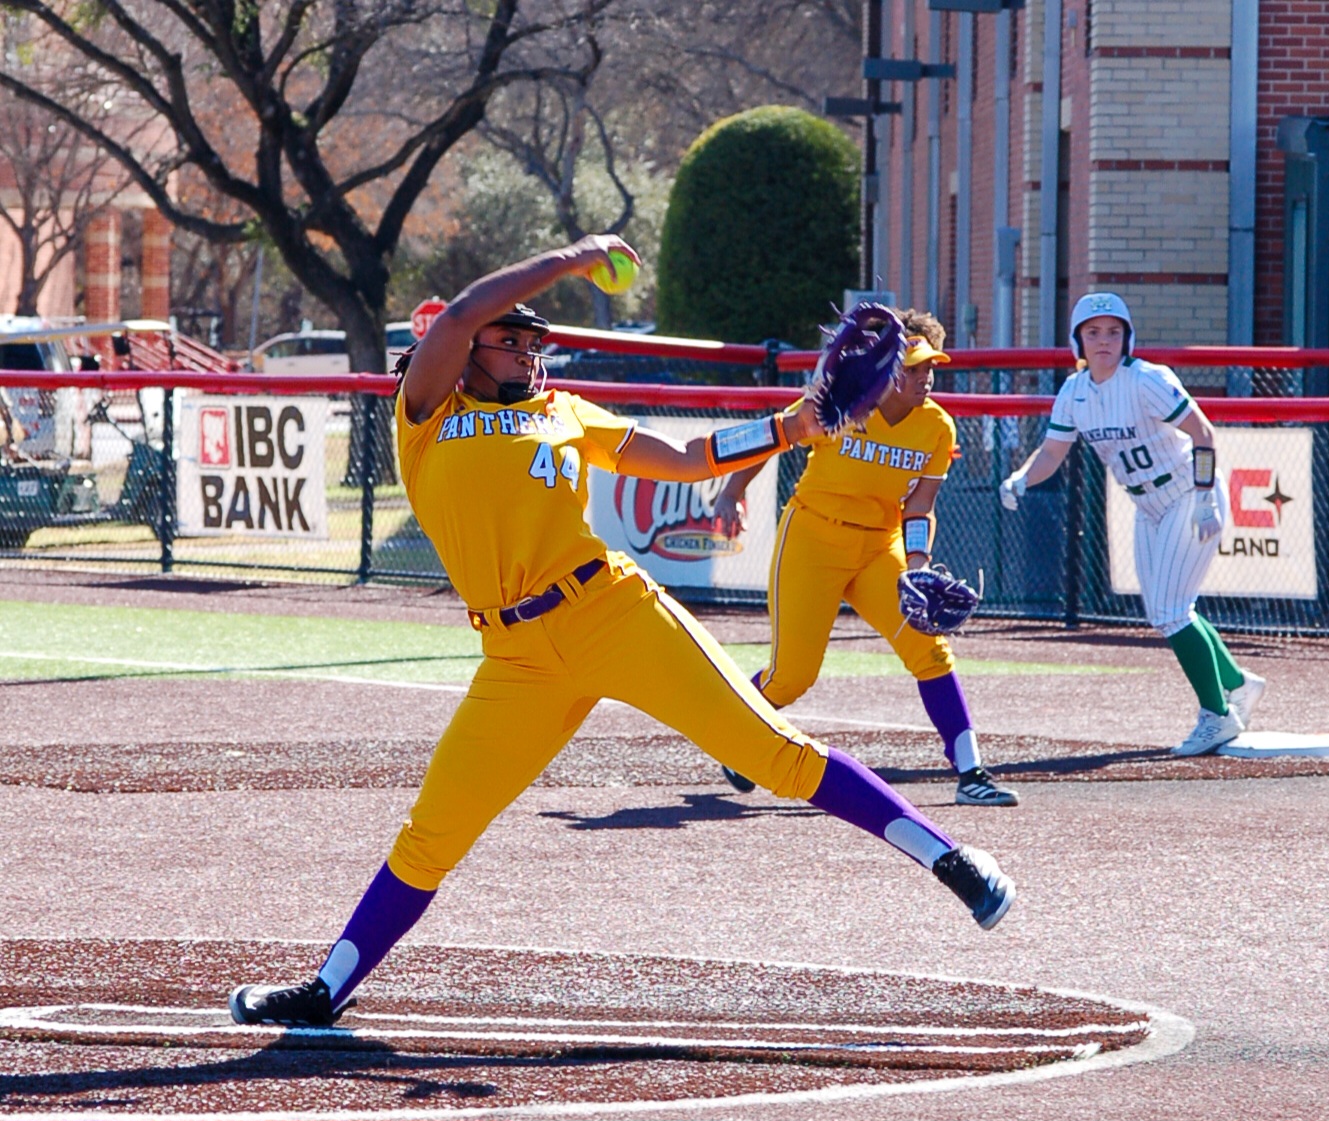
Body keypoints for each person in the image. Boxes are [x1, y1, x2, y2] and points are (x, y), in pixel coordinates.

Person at [228, 237, 1016, 1028]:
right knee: (436, 828)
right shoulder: (428, 416)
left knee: (773, 752)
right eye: (515, 340)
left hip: (612, 610)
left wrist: (788, 428)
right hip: (516, 657)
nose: (531, 352)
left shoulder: (562, 411)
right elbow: (465, 310)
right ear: (465, 351)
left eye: (537, 341)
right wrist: (572, 258)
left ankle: (950, 858)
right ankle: (327, 987)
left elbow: (684, 454)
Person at [711, 309, 1017, 807]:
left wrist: (917, 566)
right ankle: (731, 731)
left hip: (879, 545)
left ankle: (972, 773)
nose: (925, 378)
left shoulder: (937, 426)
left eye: (929, 368)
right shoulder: (845, 398)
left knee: (930, 650)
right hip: (813, 535)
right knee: (793, 675)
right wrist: (732, 491)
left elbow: (920, 505)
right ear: (888, 369)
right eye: (914, 368)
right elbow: (776, 435)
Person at [1000, 292, 1265, 757]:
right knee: (1170, 609)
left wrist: (1206, 496)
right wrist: (1022, 478)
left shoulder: (1146, 379)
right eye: (1093, 332)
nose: (1104, 341)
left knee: (1170, 611)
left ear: (1128, 338)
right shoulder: (1074, 392)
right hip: (1147, 504)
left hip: (1187, 491)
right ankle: (1238, 684)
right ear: (1078, 340)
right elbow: (1053, 453)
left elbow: (1203, 433)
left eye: (1114, 331)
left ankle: (1217, 715)